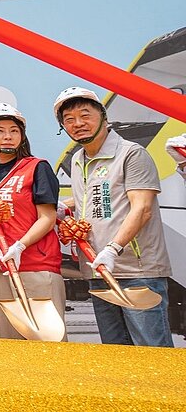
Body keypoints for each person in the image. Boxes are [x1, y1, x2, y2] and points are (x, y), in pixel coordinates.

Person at [57, 86, 173, 347]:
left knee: (152, 352)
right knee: (116, 353)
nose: (78, 124)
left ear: (103, 115)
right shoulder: (78, 159)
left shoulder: (132, 154)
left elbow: (142, 207)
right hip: (97, 269)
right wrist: (61, 207)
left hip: (136, 270)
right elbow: (93, 195)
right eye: (69, 120)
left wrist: (113, 248)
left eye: (85, 115)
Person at [0, 103, 65, 340]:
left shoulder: (36, 168)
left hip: (34, 266)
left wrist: (20, 245)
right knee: (11, 346)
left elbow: (47, 218)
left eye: (14, 130)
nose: (7, 136)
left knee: (48, 344)